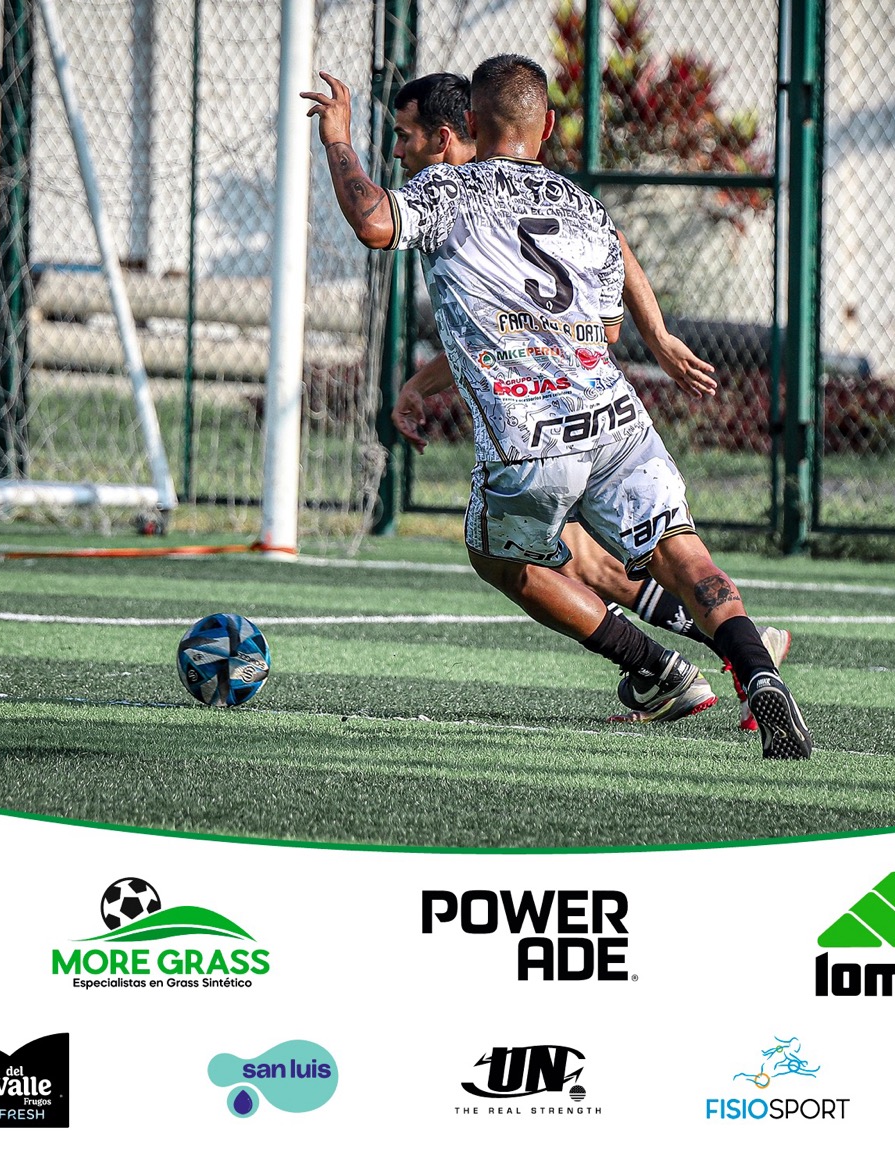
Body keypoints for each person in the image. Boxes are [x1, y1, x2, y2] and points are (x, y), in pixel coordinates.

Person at [302, 57, 811, 758]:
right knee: (683, 552)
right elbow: (601, 330)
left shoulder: (446, 189)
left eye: (404, 136)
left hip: (531, 439)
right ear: (546, 125)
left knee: (501, 559)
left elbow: (371, 219)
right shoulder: (582, 206)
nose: (398, 150)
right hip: (615, 419)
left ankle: (653, 666)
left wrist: (337, 138)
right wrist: (658, 336)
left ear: (468, 124)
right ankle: (757, 670)